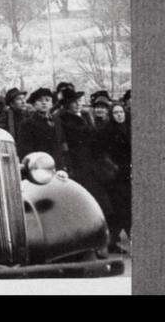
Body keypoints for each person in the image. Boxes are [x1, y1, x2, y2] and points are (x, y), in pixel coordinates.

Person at [56, 87, 113, 255]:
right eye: (74, 102)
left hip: (90, 163)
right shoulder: (63, 120)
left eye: (79, 101)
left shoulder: (84, 117)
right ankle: (91, 246)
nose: (78, 104)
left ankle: (100, 243)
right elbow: (63, 144)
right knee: (86, 205)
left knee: (100, 203)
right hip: (77, 166)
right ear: (67, 105)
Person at [97, 103, 131, 254]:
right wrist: (113, 167)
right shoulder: (106, 131)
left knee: (128, 206)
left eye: (121, 112)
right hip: (115, 174)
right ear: (111, 115)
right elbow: (101, 154)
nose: (119, 115)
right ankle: (112, 240)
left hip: (128, 171)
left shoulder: (130, 128)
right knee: (119, 207)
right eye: (116, 113)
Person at [16, 88, 69, 168]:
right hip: (38, 167)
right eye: (40, 100)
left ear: (52, 103)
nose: (44, 103)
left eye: (47, 100)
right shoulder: (27, 123)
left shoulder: (57, 121)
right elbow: (24, 150)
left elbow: (63, 143)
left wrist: (65, 164)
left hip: (58, 165)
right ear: (34, 104)